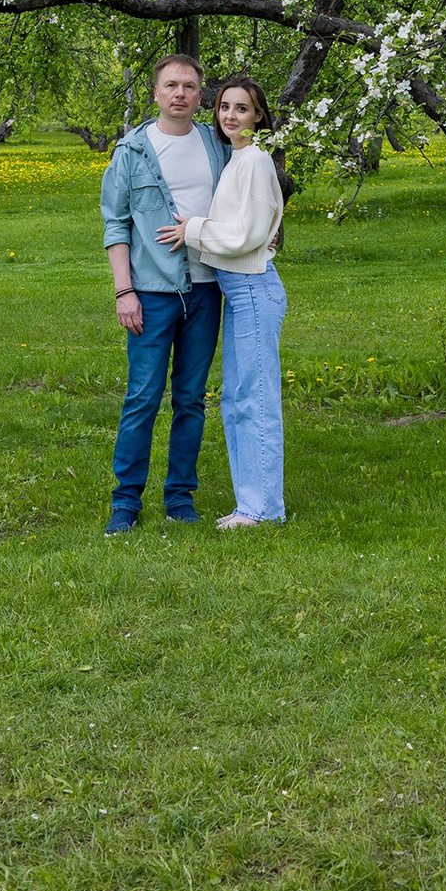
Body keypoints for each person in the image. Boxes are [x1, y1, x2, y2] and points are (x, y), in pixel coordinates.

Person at [98, 53, 227, 534]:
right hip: (150, 293)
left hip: (207, 290)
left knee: (191, 399)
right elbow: (116, 224)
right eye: (171, 85)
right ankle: (125, 503)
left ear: (200, 95)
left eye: (189, 86)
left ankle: (179, 497)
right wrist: (123, 291)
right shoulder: (132, 151)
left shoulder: (217, 146)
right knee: (143, 398)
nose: (180, 93)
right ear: (156, 93)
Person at [165, 75, 286, 528]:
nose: (231, 116)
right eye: (224, 108)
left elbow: (246, 235)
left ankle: (263, 509)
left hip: (253, 288)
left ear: (259, 116)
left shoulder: (255, 161)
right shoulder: (237, 159)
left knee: (254, 399)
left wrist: (192, 230)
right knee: (237, 398)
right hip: (235, 290)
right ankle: (249, 504)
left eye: (242, 108)